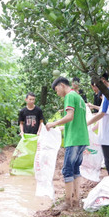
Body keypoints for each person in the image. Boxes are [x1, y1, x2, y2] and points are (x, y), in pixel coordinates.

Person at [46, 77, 89, 209]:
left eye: (56, 89)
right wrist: (62, 127)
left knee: (67, 170)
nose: (57, 93)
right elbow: (76, 120)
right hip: (82, 138)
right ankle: (76, 200)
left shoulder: (69, 96)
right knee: (75, 168)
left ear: (62, 85)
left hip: (74, 139)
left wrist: (54, 123)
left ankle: (67, 202)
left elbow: (69, 116)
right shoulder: (79, 97)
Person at [87, 73, 109, 177]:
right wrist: (94, 127)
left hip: (107, 135)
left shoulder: (108, 93)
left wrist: (86, 124)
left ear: (103, 80)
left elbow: (102, 113)